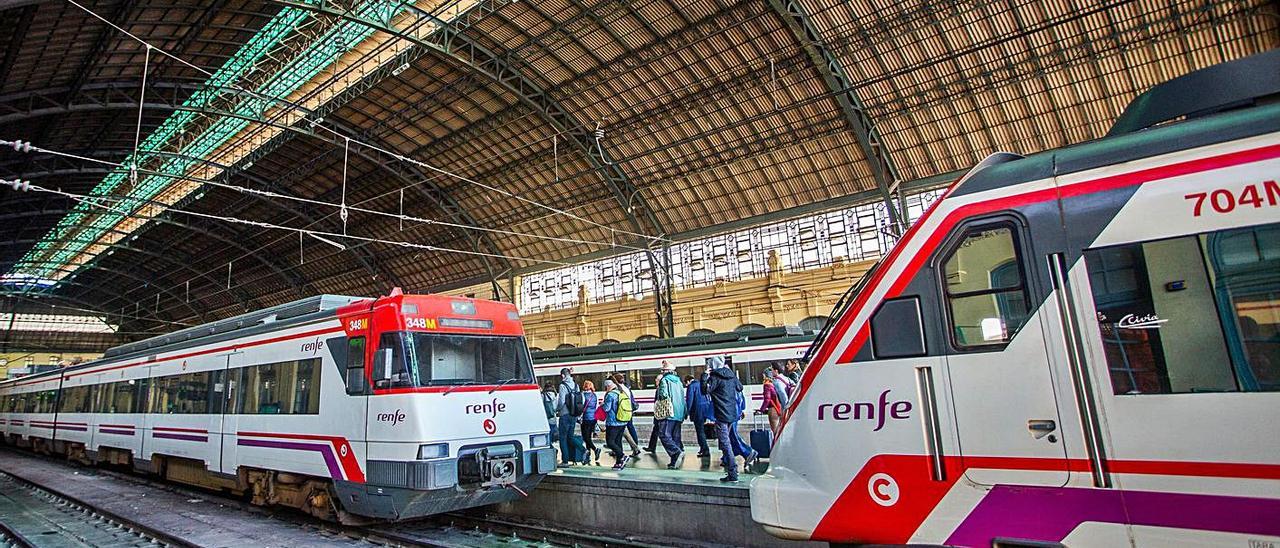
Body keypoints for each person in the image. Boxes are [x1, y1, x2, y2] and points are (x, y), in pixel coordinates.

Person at [701, 355, 752, 482]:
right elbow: (740, 387)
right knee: (727, 441)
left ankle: (733, 473)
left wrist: (704, 376)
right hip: (733, 414)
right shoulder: (731, 375)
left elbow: (704, 390)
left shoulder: (715, 377)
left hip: (721, 415)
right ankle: (733, 469)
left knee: (725, 443)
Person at [654, 362, 688, 469]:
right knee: (675, 437)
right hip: (679, 412)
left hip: (668, 412)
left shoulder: (664, 380)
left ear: (665, 371)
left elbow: (663, 395)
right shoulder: (679, 382)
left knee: (664, 434)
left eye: (663, 371)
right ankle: (674, 461)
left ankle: (675, 452)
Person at [601, 379, 632, 470]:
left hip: (613, 422)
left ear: (608, 386)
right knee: (618, 442)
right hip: (622, 421)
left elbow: (606, 409)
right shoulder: (620, 393)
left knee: (610, 442)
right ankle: (619, 463)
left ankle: (622, 456)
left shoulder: (610, 395)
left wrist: (602, 404)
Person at [555, 368, 582, 466]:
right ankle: (584, 450)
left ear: (562, 375)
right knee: (570, 436)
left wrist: (557, 409)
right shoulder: (576, 385)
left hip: (565, 415)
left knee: (563, 438)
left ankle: (565, 461)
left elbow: (562, 401)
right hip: (573, 414)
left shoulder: (563, 386)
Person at [684, 374, 712, 457]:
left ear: (688, 381)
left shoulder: (691, 386)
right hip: (706, 410)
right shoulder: (702, 383)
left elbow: (689, 401)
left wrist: (686, 413)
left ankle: (705, 450)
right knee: (703, 431)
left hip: (697, 412)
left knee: (700, 432)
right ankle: (702, 448)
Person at [614, 373, 641, 455]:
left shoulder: (618, 389)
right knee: (629, 428)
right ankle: (634, 447)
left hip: (622, 412)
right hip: (628, 410)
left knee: (621, 430)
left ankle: (619, 449)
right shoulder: (626, 388)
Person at [580, 380, 601, 464]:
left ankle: (595, 449)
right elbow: (596, 407)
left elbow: (581, 406)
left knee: (586, 438)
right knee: (588, 437)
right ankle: (588, 456)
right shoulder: (594, 395)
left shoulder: (583, 395)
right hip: (593, 419)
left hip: (586, 418)